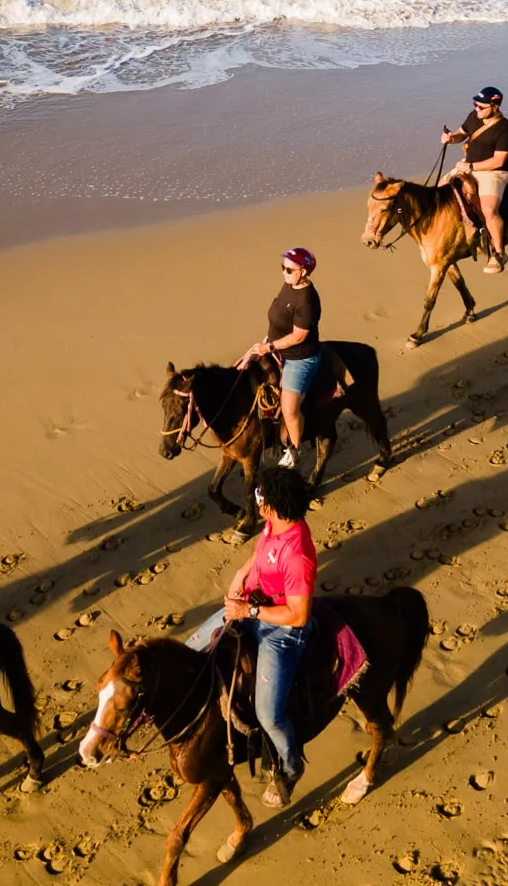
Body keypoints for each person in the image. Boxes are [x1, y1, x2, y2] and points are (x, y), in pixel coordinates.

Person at [221, 464, 317, 807]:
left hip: (283, 632)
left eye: (262, 498)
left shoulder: (297, 555)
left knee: (269, 715)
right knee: (200, 645)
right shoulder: (274, 523)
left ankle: (291, 767)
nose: (257, 502)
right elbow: (260, 550)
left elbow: (298, 615)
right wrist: (241, 574)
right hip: (254, 604)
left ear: (276, 505)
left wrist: (247, 612)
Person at [239, 247, 322, 469]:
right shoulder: (289, 285)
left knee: (289, 409)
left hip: (298, 358)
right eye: (282, 267)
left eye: (289, 269)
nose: (284, 272)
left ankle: (294, 449)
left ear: (303, 271)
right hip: (273, 346)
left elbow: (299, 336)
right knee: (240, 370)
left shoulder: (307, 301)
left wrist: (269, 347)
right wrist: (262, 344)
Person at [442, 85, 508, 273]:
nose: (477, 109)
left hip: (493, 173)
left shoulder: (506, 129)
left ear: (495, 106)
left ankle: (498, 252)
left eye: (481, 106)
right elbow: (461, 133)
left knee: (489, 209)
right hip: (467, 166)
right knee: (439, 191)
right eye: (475, 104)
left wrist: (472, 167)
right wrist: (451, 138)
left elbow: (499, 160)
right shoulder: (473, 117)